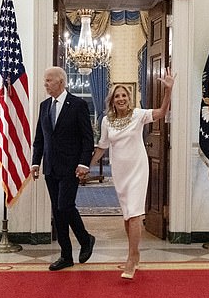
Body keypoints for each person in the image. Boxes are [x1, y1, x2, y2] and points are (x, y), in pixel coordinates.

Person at [91, 68, 175, 279]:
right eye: (117, 96)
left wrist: (168, 91)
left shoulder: (138, 115)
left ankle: (131, 257)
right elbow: (102, 147)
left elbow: (161, 113)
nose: (121, 98)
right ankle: (134, 254)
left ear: (129, 99)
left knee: (135, 214)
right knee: (128, 216)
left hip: (138, 169)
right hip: (120, 172)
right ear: (112, 100)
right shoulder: (106, 121)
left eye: (124, 95)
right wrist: (86, 166)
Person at [32, 66, 96, 271]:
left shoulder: (78, 105)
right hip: (50, 167)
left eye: (49, 80)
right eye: (45, 81)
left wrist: (84, 163)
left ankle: (85, 240)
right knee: (57, 212)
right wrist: (35, 162)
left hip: (71, 167)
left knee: (65, 206)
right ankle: (66, 255)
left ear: (61, 81)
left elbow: (87, 138)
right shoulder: (44, 106)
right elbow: (40, 139)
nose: (45, 84)